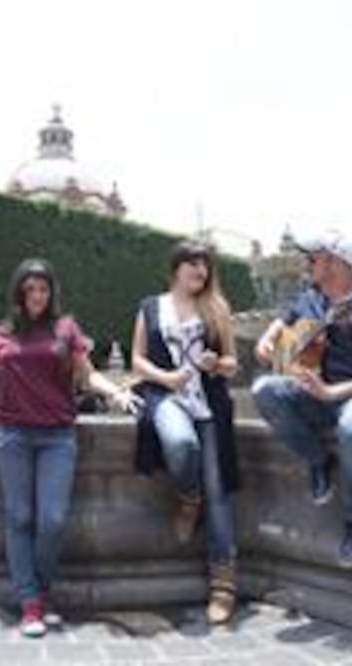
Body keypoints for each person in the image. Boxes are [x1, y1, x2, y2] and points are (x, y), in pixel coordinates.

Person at [0, 258, 140, 638]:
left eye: (43, 289)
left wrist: (114, 390)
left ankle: (39, 590)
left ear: (51, 292)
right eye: (30, 290)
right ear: (19, 293)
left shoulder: (66, 329)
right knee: (19, 517)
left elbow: (87, 374)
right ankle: (31, 603)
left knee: (53, 519)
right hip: (12, 434)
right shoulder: (0, 333)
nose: (37, 296)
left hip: (57, 435)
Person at [251, 229, 352, 568]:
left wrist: (333, 392)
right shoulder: (313, 298)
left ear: (335, 262)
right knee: (264, 390)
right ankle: (319, 460)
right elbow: (286, 323)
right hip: (319, 391)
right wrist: (268, 339)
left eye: (314, 257)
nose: (308, 263)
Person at [130, 239, 240, 625]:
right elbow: (137, 360)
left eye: (205, 265)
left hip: (209, 404)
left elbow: (232, 364)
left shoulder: (216, 308)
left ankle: (223, 585)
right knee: (179, 442)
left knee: (219, 491)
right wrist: (167, 378)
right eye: (193, 263)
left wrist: (216, 363)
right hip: (166, 397)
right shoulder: (149, 307)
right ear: (175, 267)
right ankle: (188, 498)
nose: (201, 271)